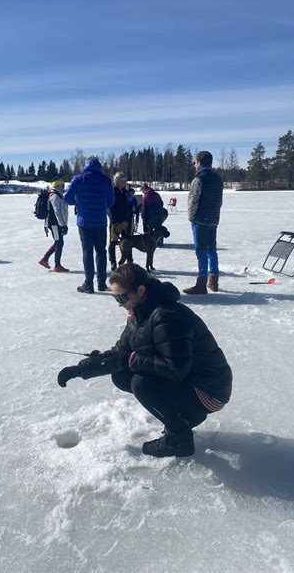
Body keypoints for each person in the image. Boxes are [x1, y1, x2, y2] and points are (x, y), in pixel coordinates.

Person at [57, 263, 232, 458]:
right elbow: (121, 352)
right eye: (115, 298)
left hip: (209, 390)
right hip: (190, 380)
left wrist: (134, 359)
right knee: (122, 375)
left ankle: (179, 439)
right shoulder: (138, 313)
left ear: (141, 290)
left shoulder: (167, 317)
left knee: (141, 383)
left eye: (121, 297)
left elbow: (176, 369)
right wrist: (81, 370)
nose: (119, 303)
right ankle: (186, 416)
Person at [64, 157, 114, 294]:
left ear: (86, 165)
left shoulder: (79, 179)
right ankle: (102, 283)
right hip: (101, 222)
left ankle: (88, 284)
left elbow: (67, 198)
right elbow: (111, 201)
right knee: (101, 252)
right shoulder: (106, 180)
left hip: (85, 221)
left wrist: (77, 202)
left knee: (87, 252)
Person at [184, 151, 223, 294]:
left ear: (199, 162)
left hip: (200, 220)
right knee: (212, 249)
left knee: (201, 251)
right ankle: (213, 281)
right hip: (213, 219)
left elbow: (193, 200)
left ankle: (201, 283)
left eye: (195, 162)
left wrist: (191, 217)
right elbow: (220, 201)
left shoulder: (199, 179)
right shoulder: (218, 179)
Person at [39, 178, 69, 272]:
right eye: (62, 185)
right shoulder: (54, 196)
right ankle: (56, 265)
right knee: (59, 242)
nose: (63, 187)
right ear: (57, 186)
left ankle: (45, 260)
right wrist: (63, 225)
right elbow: (57, 212)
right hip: (54, 224)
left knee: (58, 242)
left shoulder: (58, 195)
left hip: (56, 223)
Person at [108, 172, 132, 271]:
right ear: (117, 181)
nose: (125, 182)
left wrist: (127, 219)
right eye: (123, 180)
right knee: (113, 242)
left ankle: (129, 261)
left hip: (125, 222)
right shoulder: (112, 192)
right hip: (116, 222)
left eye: (125, 180)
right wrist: (119, 221)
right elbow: (112, 208)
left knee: (127, 242)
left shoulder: (125, 192)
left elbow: (127, 207)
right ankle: (113, 262)